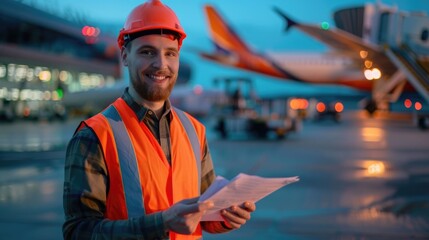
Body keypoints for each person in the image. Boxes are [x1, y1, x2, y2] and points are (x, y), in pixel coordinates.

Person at [62, 0, 256, 239]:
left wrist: (227, 217)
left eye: (170, 53)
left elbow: (204, 215)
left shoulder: (195, 131)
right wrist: (161, 223)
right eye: (147, 52)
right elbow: (78, 232)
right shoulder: (94, 135)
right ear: (125, 55)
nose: (161, 64)